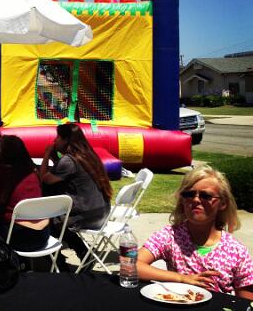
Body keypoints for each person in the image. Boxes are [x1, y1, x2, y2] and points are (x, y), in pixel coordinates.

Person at [137, 166, 253, 299]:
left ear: (222, 203)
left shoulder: (236, 252)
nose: (196, 200)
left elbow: (245, 304)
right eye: (189, 194)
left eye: (206, 196)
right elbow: (130, 265)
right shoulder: (171, 236)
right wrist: (181, 278)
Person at [39, 123, 112, 262]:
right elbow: (64, 173)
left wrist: (47, 155)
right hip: (102, 212)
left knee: (46, 223)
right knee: (54, 218)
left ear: (66, 140)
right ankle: (81, 253)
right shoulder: (88, 155)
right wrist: (55, 158)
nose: (55, 140)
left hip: (88, 216)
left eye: (58, 137)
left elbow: (44, 179)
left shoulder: (68, 161)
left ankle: (65, 259)